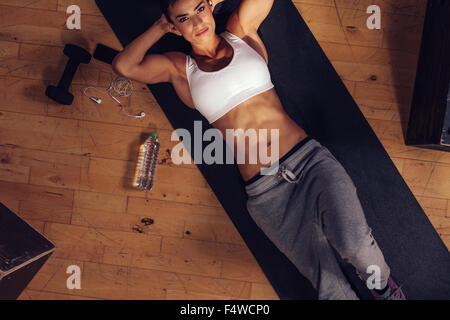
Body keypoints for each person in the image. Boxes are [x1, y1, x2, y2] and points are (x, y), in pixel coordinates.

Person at [112, 0, 406, 300]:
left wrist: (211, 2)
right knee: (329, 288)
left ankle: (385, 291)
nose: (197, 22)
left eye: (200, 9)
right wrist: (161, 25)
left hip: (309, 162)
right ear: (175, 27)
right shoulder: (179, 69)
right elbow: (125, 66)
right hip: (266, 193)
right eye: (184, 18)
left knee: (355, 244)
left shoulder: (240, 32)